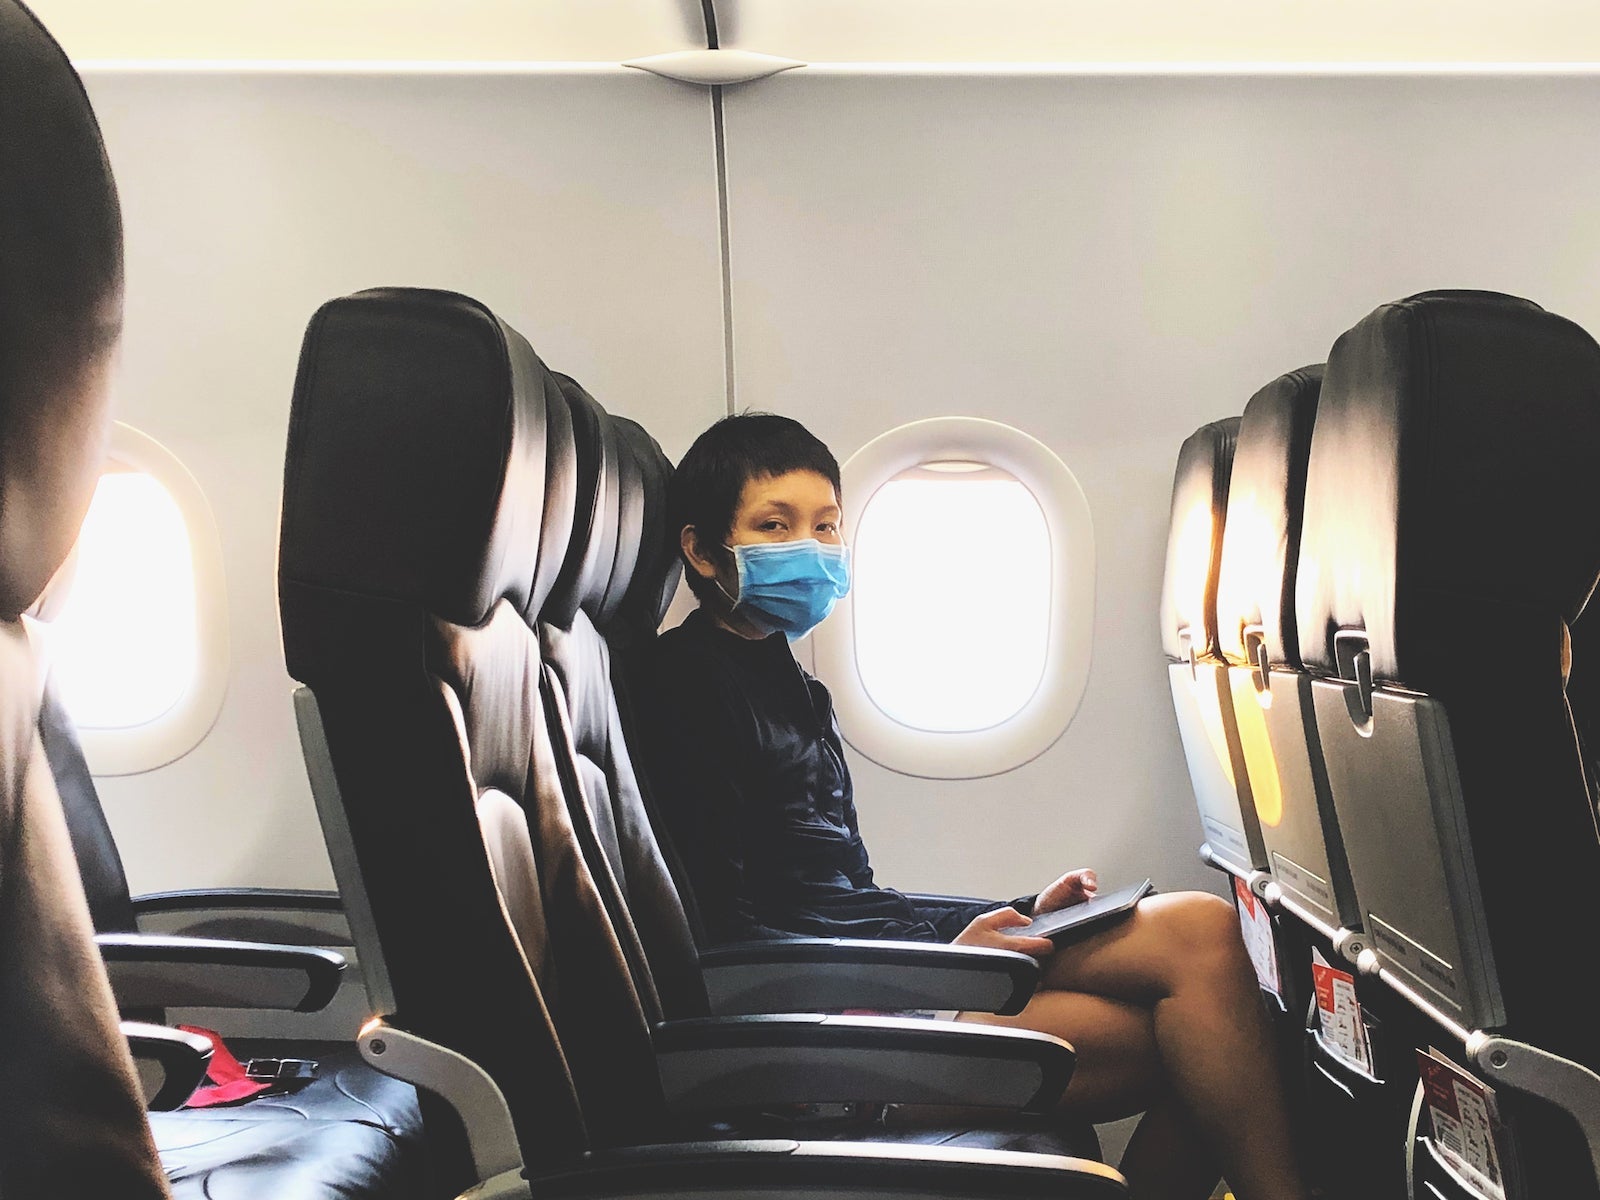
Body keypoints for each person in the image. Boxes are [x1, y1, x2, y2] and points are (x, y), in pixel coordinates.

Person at [635, 412, 1310, 1200]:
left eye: (825, 527)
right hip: (816, 1024)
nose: (810, 551)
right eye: (774, 526)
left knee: (1198, 931)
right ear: (701, 549)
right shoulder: (681, 687)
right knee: (1203, 1041)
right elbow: (727, 931)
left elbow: (845, 898)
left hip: (874, 975)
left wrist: (1015, 912)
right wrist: (947, 962)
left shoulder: (795, 688)